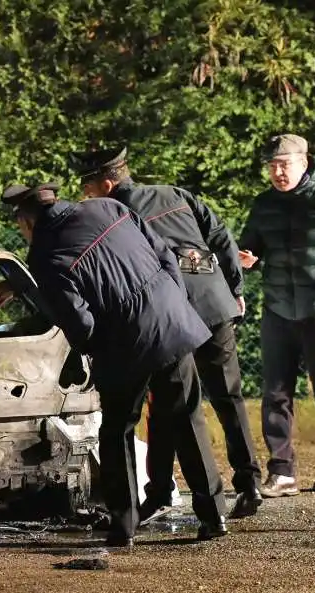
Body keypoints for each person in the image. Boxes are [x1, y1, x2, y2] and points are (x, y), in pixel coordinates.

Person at [0, 181, 228, 545]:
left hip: (124, 345)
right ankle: (214, 515)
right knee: (187, 418)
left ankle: (124, 524)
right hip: (173, 321)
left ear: (26, 221)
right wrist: (174, 302)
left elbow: (80, 320)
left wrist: (92, 352)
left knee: (117, 430)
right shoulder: (106, 208)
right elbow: (164, 253)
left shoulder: (45, 253)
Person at [68, 146, 263, 521]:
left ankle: (159, 491)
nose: (87, 198)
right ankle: (249, 483)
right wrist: (234, 289)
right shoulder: (175, 194)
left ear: (107, 184)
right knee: (228, 399)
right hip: (216, 304)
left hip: (174, 315)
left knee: (171, 405)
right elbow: (220, 236)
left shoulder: (115, 215)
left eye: (89, 189)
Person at [237, 134, 315, 497]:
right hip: (278, 309)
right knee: (275, 392)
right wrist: (248, 259)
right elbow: (251, 247)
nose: (278, 172)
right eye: (272, 166)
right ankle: (281, 472)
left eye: (285, 164)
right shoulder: (263, 204)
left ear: (304, 162)